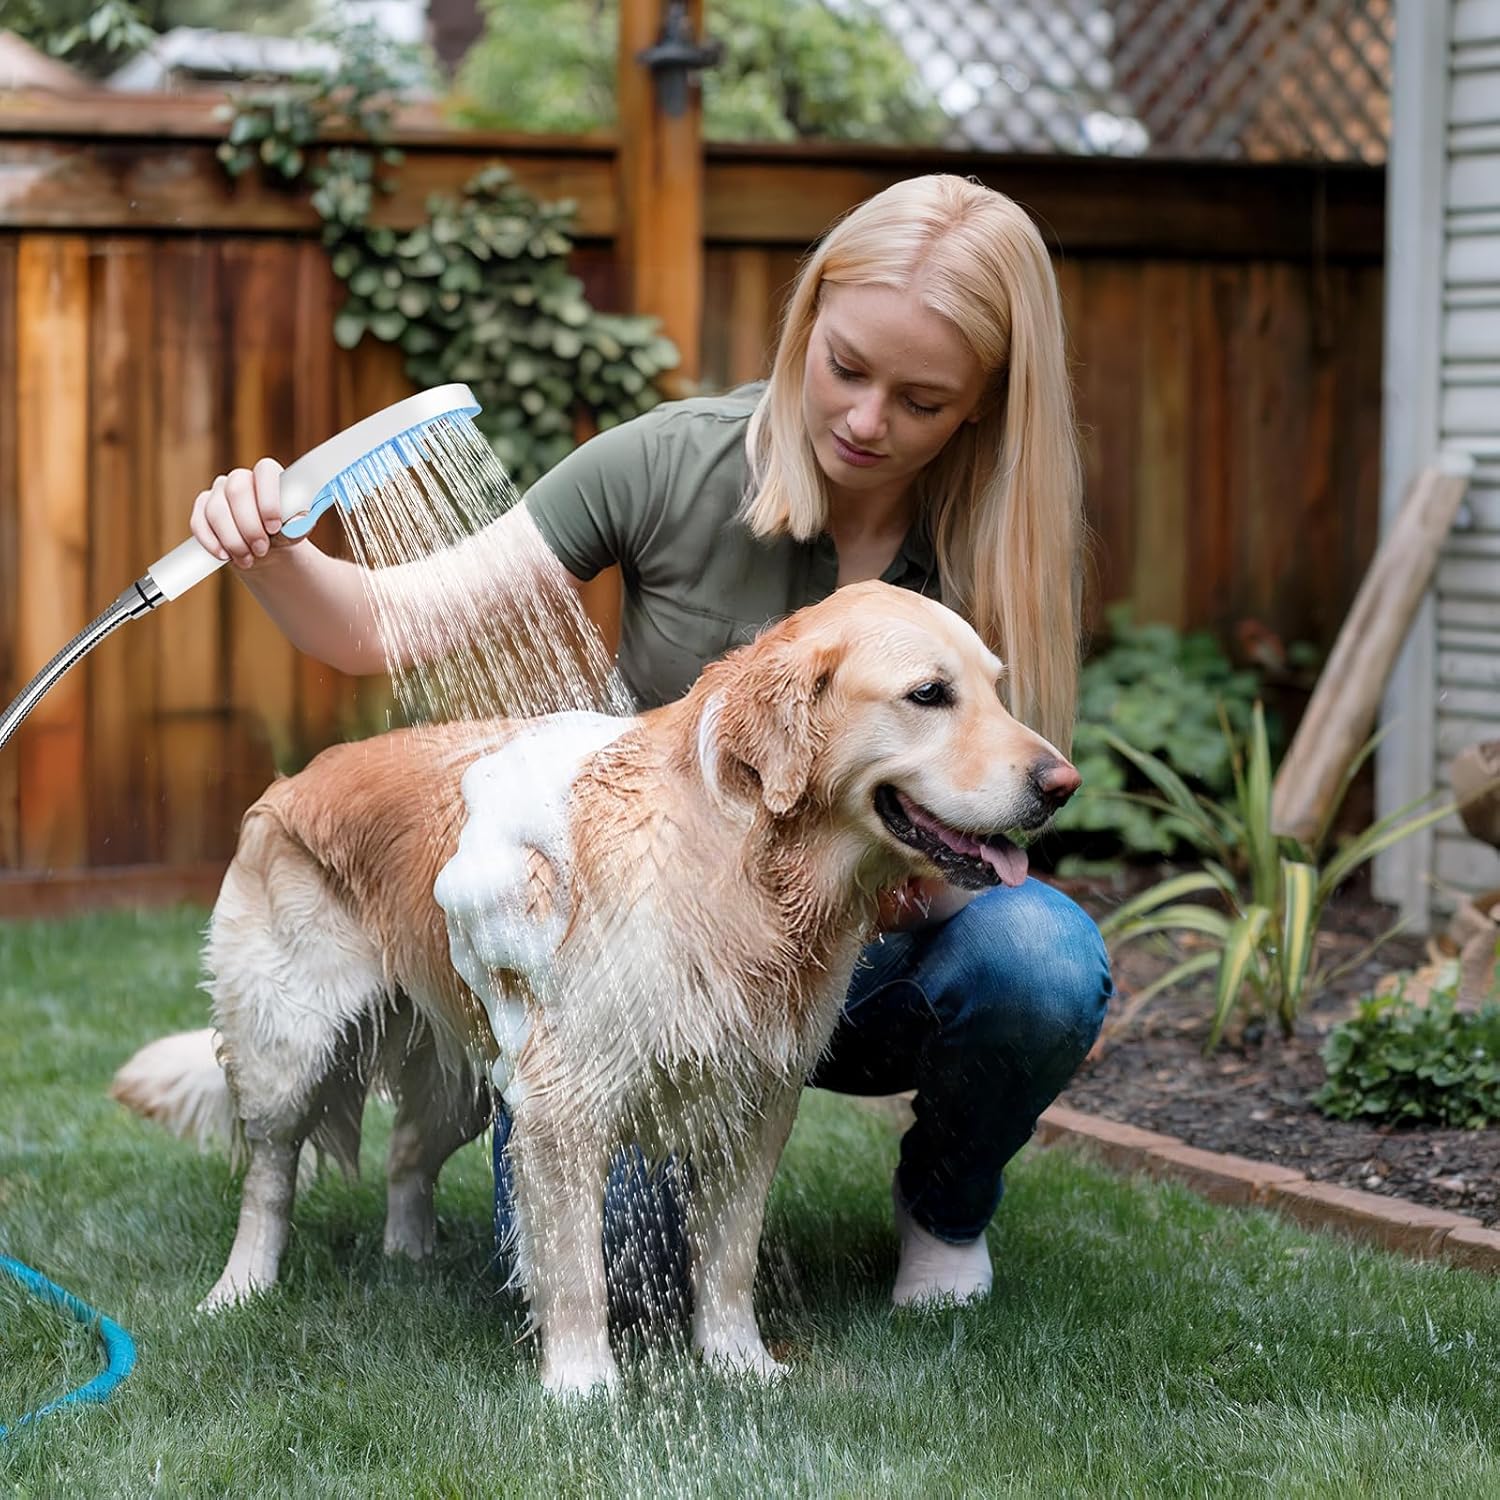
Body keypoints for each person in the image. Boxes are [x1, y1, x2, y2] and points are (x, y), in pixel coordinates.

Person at [189, 173, 1113, 1308]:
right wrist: (274, 552)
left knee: (1041, 959)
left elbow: (996, 804)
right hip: (641, 980)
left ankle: (946, 1212)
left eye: (921, 400)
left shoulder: (1006, 538)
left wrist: (908, 886)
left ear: (982, 401)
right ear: (806, 320)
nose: (867, 421)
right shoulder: (671, 463)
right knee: (623, 1289)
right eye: (846, 368)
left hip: (860, 967)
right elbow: (391, 623)